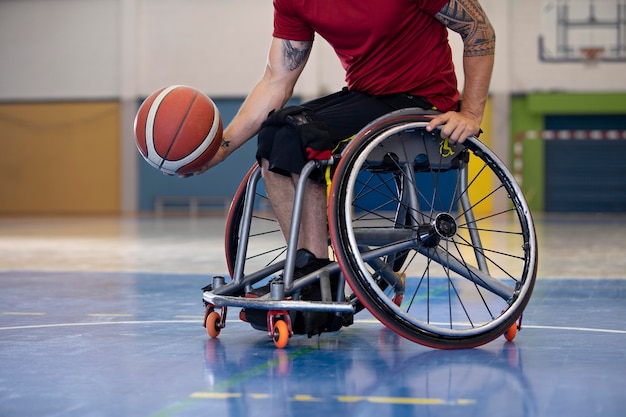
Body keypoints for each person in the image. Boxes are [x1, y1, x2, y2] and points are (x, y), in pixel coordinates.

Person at [198, 0, 495, 335]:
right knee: (276, 133)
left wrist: (470, 113)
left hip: (423, 103)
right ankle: (310, 270)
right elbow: (275, 80)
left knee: (298, 132)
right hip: (366, 98)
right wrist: (220, 149)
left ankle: (316, 280)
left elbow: (478, 28)